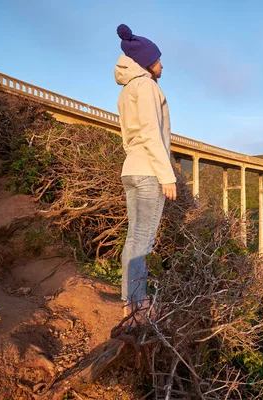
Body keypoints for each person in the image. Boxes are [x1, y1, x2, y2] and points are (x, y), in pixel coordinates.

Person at [114, 24, 177, 318]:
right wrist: (167, 175)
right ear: (147, 62)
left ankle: (129, 300)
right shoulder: (148, 86)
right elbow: (153, 133)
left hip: (131, 170)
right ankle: (139, 306)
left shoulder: (126, 91)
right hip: (150, 171)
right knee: (143, 240)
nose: (162, 64)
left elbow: (130, 136)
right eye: (159, 59)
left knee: (133, 238)